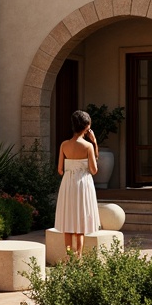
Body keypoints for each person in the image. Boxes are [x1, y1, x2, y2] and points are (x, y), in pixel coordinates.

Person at [55, 109, 100, 258]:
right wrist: (94, 142)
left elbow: (60, 170)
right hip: (83, 184)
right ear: (87, 127)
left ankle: (69, 257)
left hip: (68, 184)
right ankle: (78, 257)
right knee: (80, 222)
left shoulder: (64, 145)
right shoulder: (88, 146)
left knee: (68, 221)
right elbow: (94, 170)